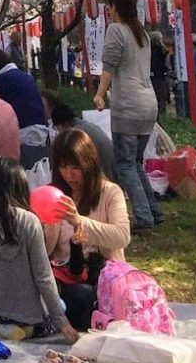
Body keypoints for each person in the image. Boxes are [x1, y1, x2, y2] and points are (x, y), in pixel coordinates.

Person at [0, 158, 75, 343]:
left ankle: (3, 329)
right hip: (28, 313)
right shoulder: (29, 221)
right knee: (60, 307)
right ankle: (24, 330)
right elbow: (43, 277)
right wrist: (62, 322)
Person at [42, 127, 131, 331]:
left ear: (88, 164)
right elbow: (44, 250)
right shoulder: (54, 194)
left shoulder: (110, 193)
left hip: (99, 277)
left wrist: (78, 221)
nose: (69, 175)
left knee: (81, 297)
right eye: (63, 167)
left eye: (75, 167)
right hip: (62, 274)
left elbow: (122, 236)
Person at [96, 0, 164, 231]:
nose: (108, 11)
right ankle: (154, 211)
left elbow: (109, 67)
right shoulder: (142, 33)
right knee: (135, 162)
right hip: (148, 103)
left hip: (128, 104)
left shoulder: (116, 30)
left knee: (125, 164)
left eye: (108, 6)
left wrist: (100, 95)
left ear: (114, 6)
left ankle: (144, 217)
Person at [0, 49, 50, 171]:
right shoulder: (24, 75)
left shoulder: (3, 79)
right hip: (41, 126)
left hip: (24, 129)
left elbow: (1, 111)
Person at [49, 99, 115, 182]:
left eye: (57, 127)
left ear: (64, 124)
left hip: (104, 166)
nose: (58, 131)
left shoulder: (76, 134)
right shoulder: (83, 124)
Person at [150, 33, 170, 115]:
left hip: (153, 76)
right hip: (159, 76)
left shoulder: (149, 49)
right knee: (161, 96)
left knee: (156, 97)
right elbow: (165, 52)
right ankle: (161, 114)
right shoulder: (160, 50)